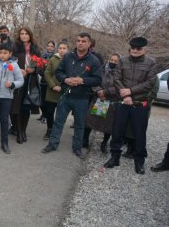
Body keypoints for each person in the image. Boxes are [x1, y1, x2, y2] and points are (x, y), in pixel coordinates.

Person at [41, 32, 102, 159]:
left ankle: (77, 147)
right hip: (66, 94)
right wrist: (65, 79)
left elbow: (98, 79)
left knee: (80, 124)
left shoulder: (94, 60)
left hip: (82, 97)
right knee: (58, 121)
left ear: (89, 43)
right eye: (78, 40)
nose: (80, 43)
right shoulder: (68, 56)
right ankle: (52, 144)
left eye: (83, 41)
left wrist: (83, 81)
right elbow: (59, 72)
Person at [104, 37, 157, 174]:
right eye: (133, 48)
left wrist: (131, 91)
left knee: (139, 134)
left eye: (138, 48)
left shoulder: (151, 63)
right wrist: (126, 95)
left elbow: (150, 82)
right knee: (117, 131)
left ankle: (139, 162)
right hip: (123, 102)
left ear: (144, 49)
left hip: (139, 104)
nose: (135, 50)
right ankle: (114, 158)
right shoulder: (122, 60)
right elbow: (117, 79)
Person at [84, 54, 120, 153]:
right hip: (98, 98)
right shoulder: (101, 69)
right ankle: (85, 140)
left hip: (110, 100)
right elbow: (95, 80)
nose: (113, 62)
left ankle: (104, 143)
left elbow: (119, 86)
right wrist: (99, 91)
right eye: (111, 59)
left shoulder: (120, 73)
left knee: (108, 125)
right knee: (91, 120)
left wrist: (106, 92)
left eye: (115, 61)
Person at [10, 27, 41, 144]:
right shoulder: (15, 47)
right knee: (17, 106)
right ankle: (18, 131)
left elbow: (40, 64)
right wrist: (18, 70)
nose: (23, 36)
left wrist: (34, 70)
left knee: (26, 106)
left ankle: (23, 131)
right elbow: (10, 61)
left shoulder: (35, 49)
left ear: (30, 35)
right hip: (18, 80)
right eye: (21, 34)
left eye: (26, 34)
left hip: (30, 80)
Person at [43, 42, 69, 140]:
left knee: (61, 113)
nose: (62, 50)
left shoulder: (70, 60)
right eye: (60, 48)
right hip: (52, 90)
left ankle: (57, 132)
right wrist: (52, 86)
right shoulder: (53, 59)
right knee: (49, 111)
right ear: (57, 50)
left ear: (67, 49)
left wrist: (64, 87)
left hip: (64, 91)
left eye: (64, 48)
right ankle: (49, 130)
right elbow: (47, 73)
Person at [37, 40, 56, 123]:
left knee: (48, 102)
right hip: (43, 81)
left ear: (54, 48)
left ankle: (46, 116)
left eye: (52, 46)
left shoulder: (55, 57)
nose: (50, 48)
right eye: (49, 46)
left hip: (51, 82)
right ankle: (44, 114)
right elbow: (39, 68)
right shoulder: (43, 56)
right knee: (41, 101)